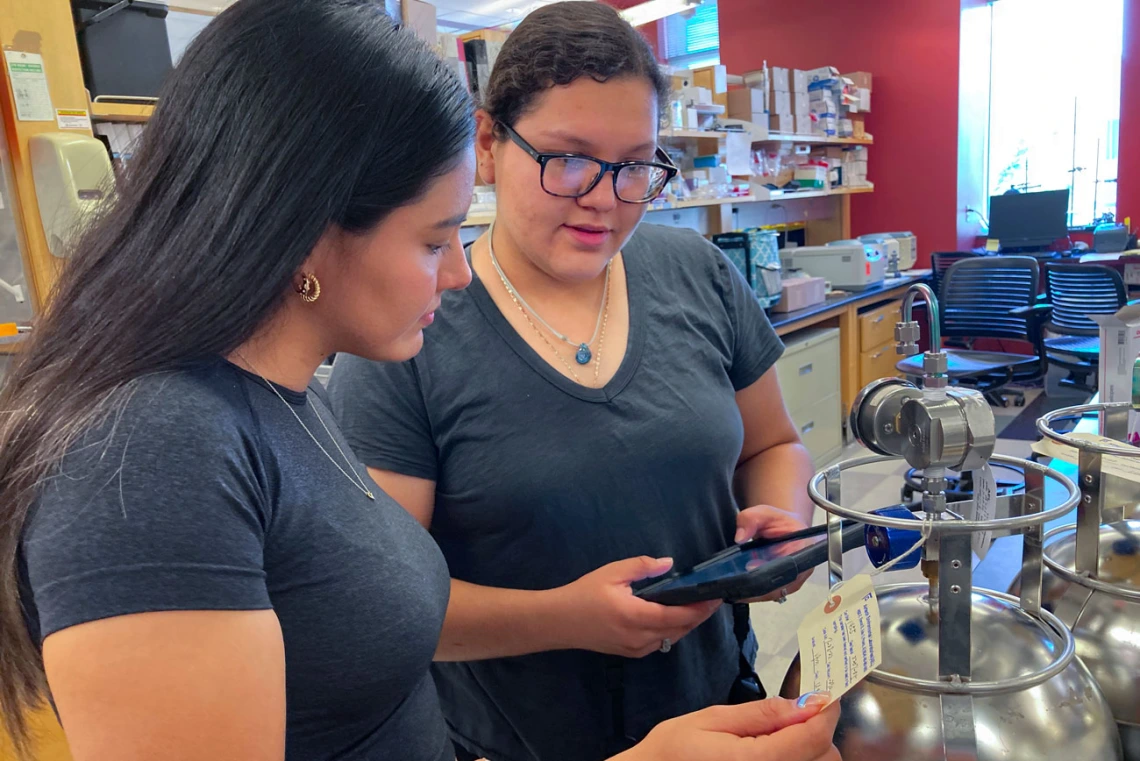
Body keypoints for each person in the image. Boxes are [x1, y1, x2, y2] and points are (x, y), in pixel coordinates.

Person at [0, 1, 840, 761]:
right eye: (435, 241)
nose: (459, 277)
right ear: (304, 229)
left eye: (634, 168)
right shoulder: (148, 454)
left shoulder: (279, 403)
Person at [325, 3, 821, 761]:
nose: (605, 195)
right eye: (569, 158)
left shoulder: (696, 273)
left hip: (720, 713)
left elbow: (776, 443)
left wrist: (778, 521)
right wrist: (564, 617)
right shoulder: (406, 330)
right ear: (489, 144)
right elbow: (382, 608)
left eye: (636, 165)